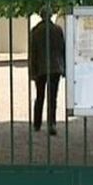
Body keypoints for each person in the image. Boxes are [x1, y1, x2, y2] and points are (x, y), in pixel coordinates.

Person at [29, 7, 66, 135]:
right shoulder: (57, 30)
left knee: (40, 97)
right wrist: (64, 68)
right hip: (55, 67)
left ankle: (37, 124)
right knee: (52, 97)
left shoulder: (35, 31)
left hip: (40, 68)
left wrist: (32, 72)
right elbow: (63, 50)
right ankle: (52, 124)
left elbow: (32, 53)